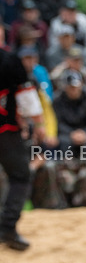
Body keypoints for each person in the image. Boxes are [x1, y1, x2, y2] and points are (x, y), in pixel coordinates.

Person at [0, 36, 36, 250]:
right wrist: (38, 123)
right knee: (21, 175)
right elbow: (28, 100)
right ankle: (7, 228)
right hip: (5, 131)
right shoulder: (9, 60)